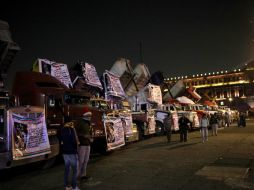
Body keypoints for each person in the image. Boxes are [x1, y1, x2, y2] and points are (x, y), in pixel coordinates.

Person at [60, 119, 80, 190]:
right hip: (72, 152)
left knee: (67, 170)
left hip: (65, 152)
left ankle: (67, 186)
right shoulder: (71, 130)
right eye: (72, 122)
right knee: (75, 170)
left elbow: (61, 141)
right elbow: (74, 141)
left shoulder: (62, 130)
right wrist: (75, 147)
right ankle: (74, 186)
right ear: (70, 122)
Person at [75, 108, 93, 181]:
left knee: (86, 160)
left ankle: (83, 175)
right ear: (85, 115)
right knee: (80, 161)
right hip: (82, 144)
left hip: (87, 143)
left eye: (90, 115)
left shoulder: (88, 122)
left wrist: (91, 137)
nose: (90, 116)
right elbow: (75, 132)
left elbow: (89, 132)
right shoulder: (80, 122)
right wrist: (83, 135)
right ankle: (76, 176)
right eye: (89, 115)